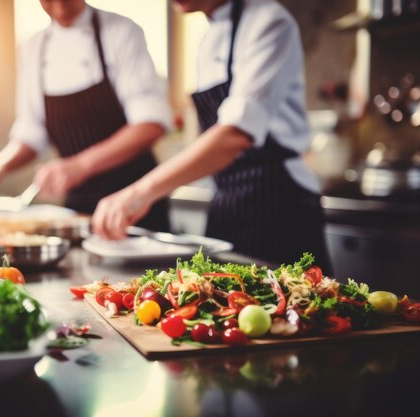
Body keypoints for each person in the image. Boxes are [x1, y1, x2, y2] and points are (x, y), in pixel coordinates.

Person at [92, 0, 331, 271]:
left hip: (279, 203)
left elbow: (234, 134)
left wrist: (140, 192)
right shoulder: (208, 39)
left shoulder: (269, 21)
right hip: (226, 204)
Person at [0, 0, 172, 232]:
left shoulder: (121, 32)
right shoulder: (33, 48)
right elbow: (31, 133)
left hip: (135, 203)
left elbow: (150, 124)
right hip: (77, 212)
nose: (60, 6)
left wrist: (79, 165)